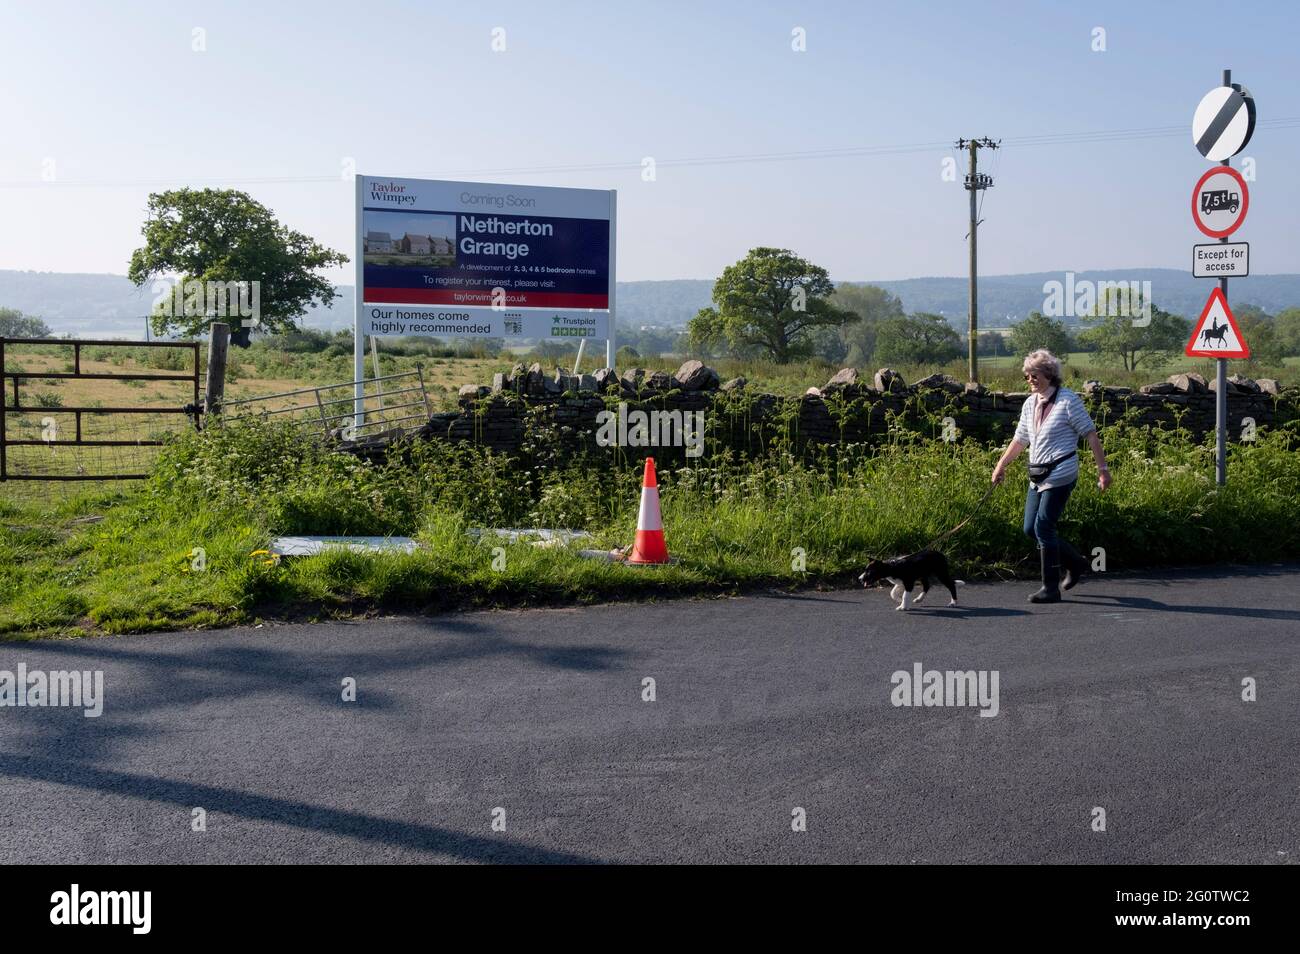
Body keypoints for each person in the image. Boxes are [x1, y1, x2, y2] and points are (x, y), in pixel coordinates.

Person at [991, 349, 1112, 603]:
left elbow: (1090, 434)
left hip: (1061, 472)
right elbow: (1020, 439)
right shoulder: (1029, 404)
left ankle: (1050, 588)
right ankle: (1076, 562)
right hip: (1037, 474)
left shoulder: (1068, 401)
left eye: (1034, 375)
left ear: (1049, 374)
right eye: (1027, 376)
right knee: (1029, 529)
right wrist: (1001, 465)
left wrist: (1103, 471)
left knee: (1043, 527)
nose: (1030, 380)